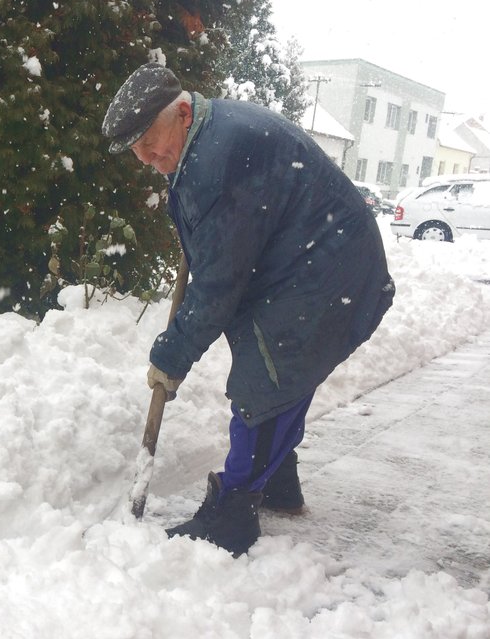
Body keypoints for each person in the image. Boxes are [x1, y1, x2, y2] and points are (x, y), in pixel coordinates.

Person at [102, 63, 395, 556]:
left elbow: (218, 287)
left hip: (325, 270)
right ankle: (278, 482)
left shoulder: (216, 159)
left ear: (180, 110)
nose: (150, 158)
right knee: (271, 368)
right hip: (309, 258)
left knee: (268, 375)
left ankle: (233, 513)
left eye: (151, 140)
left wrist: (171, 356)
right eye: (138, 151)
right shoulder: (204, 138)